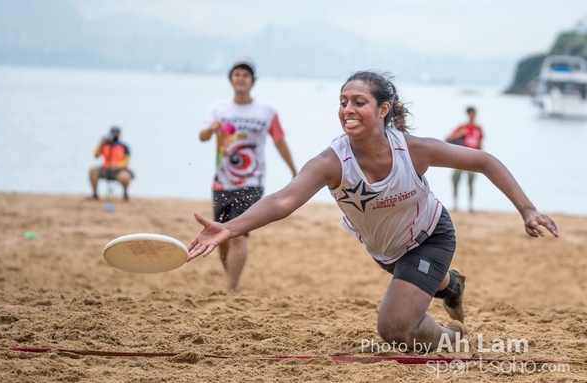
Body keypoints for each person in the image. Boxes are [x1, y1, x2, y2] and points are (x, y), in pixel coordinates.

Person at [187, 70, 559, 352]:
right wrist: (229, 228)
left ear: (383, 110)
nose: (348, 109)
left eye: (358, 102)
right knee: (417, 280)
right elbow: (283, 200)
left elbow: (483, 160)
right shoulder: (331, 161)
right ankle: (450, 284)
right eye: (343, 101)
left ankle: (453, 338)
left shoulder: (412, 150)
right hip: (386, 250)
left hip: (430, 236)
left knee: (396, 330)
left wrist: (527, 210)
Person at [198, 57, 298, 292]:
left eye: (245, 75)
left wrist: (294, 171)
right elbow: (202, 137)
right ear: (231, 79)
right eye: (237, 74)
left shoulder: (266, 111)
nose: (241, 78)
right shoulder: (218, 109)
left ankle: (230, 288)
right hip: (222, 182)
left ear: (252, 81)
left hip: (251, 182)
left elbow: (279, 141)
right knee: (219, 236)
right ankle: (234, 279)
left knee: (237, 236)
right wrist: (211, 129)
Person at [445, 106, 484, 212]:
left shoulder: (478, 129)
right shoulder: (462, 128)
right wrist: (459, 134)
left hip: (473, 159)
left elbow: (480, 144)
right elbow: (447, 139)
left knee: (471, 183)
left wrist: (481, 159)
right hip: (461, 158)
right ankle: (455, 205)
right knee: (455, 181)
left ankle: (470, 206)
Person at [88, 126, 134, 201]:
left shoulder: (124, 147)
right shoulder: (105, 145)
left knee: (124, 177)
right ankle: (95, 194)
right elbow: (96, 155)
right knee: (92, 170)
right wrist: (100, 144)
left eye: (117, 133)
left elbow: (126, 161)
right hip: (105, 170)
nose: (115, 135)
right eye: (114, 133)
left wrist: (117, 166)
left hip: (119, 171)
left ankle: (125, 194)